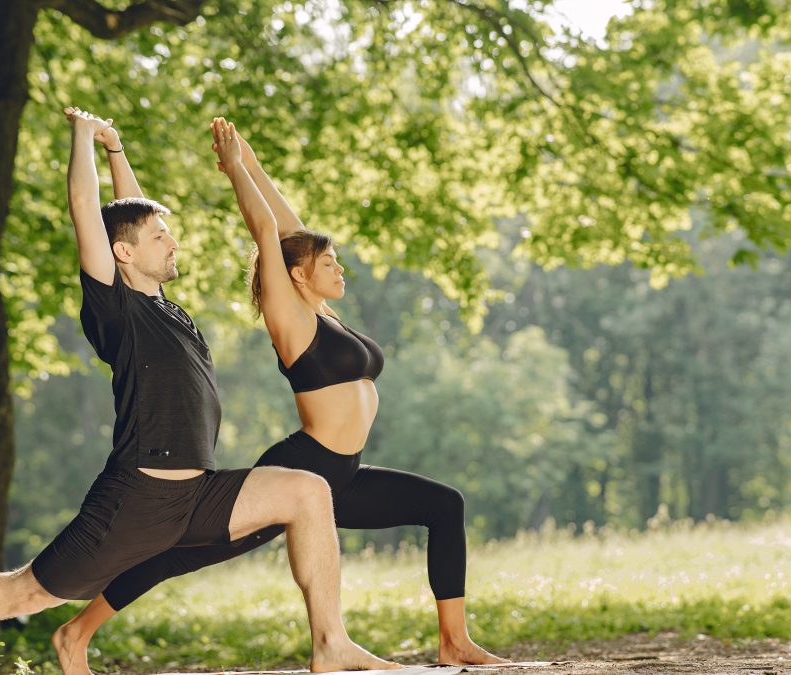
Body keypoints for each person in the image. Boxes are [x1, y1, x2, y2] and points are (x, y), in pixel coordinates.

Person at [0, 108, 396, 675]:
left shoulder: (164, 308)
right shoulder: (116, 310)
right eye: (160, 238)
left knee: (308, 492)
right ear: (123, 253)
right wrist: (82, 138)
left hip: (197, 491)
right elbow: (89, 214)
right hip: (139, 497)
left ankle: (330, 644)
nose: (172, 243)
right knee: (30, 591)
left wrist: (117, 151)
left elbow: (133, 217)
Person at [50, 117, 505, 674]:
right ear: (296, 275)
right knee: (180, 554)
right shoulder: (289, 314)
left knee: (444, 505)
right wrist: (236, 173)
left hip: (345, 471)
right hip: (303, 467)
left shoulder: (323, 311)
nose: (338, 266)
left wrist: (250, 161)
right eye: (328, 262)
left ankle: (454, 641)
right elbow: (269, 233)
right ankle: (76, 632)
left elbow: (292, 231)